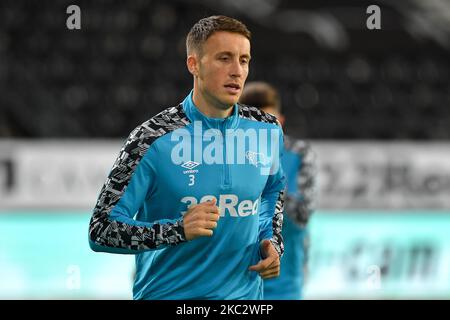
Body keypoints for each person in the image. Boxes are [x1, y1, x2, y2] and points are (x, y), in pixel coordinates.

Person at [88, 16, 286, 300]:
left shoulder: (267, 129)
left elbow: (272, 192)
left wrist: (271, 241)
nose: (237, 71)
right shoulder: (151, 138)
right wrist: (176, 230)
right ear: (194, 65)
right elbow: (101, 229)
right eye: (224, 58)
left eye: (244, 60)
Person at [240, 81, 316, 300]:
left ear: (280, 122)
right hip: (235, 287)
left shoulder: (299, 154)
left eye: (268, 124)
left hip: (283, 286)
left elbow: (302, 215)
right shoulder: (226, 155)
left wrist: (268, 178)